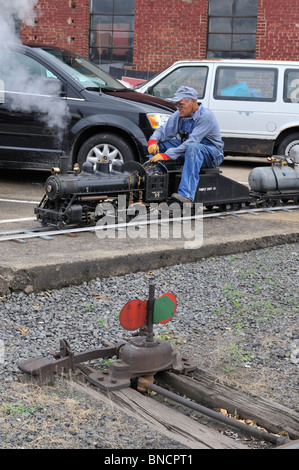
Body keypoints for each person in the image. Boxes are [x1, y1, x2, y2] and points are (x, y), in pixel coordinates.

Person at [147, 86, 224, 204]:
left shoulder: (206, 116)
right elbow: (163, 131)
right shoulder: (179, 115)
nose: (178, 108)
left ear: (193, 102)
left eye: (181, 105)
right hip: (189, 149)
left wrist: (167, 155)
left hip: (212, 153)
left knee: (193, 148)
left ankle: (186, 196)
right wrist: (153, 142)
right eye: (177, 105)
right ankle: (153, 188)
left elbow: (192, 141)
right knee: (162, 145)